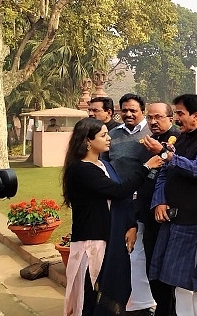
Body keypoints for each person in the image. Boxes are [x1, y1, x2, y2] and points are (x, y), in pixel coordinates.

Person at [61, 118, 163, 316]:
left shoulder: (104, 165)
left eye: (108, 134)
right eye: (103, 135)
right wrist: (146, 167)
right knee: (93, 292)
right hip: (93, 240)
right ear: (87, 141)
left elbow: (122, 200)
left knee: (115, 288)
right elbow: (118, 191)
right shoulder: (81, 169)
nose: (109, 139)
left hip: (112, 238)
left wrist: (131, 225)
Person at [149, 94, 197, 316]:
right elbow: (162, 173)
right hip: (173, 219)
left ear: (195, 115)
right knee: (175, 280)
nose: (177, 118)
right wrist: (159, 201)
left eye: (180, 113)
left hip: (195, 221)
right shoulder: (180, 138)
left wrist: (165, 154)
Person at [100, 93, 156, 315]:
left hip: (146, 200)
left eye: (133, 110)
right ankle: (124, 301)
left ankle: (145, 302)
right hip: (119, 199)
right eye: (125, 110)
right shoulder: (112, 135)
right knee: (121, 249)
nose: (129, 114)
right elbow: (105, 166)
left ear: (142, 110)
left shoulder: (152, 134)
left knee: (143, 250)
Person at [139, 102, 181, 316]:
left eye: (158, 117)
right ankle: (163, 310)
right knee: (152, 269)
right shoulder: (149, 142)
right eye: (150, 117)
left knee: (168, 272)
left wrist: (164, 152)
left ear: (171, 119)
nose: (153, 121)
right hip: (148, 216)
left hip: (169, 217)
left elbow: (175, 175)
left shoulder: (179, 141)